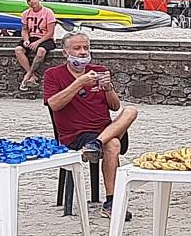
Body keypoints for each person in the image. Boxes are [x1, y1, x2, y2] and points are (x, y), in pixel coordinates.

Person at [43, 32, 138, 220]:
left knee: (131, 111)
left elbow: (115, 106)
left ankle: (96, 144)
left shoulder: (99, 70)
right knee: (113, 144)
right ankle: (111, 202)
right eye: (77, 48)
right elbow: (54, 104)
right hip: (76, 134)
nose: (83, 52)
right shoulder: (53, 74)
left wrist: (108, 88)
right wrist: (79, 83)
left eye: (86, 47)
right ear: (65, 52)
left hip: (104, 130)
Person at [15, 0, 58, 91]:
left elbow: (50, 32)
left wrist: (38, 42)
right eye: (29, 1)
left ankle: (28, 75)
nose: (31, 2)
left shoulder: (48, 12)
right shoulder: (25, 14)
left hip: (45, 38)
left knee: (41, 51)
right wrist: (26, 40)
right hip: (31, 37)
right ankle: (32, 75)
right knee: (18, 50)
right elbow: (24, 29)